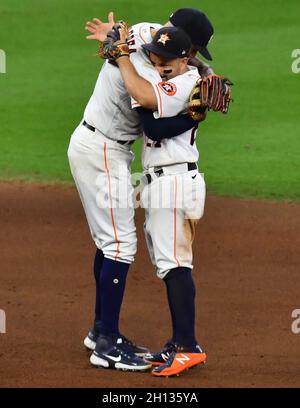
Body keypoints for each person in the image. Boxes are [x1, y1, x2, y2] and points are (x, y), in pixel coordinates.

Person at [68, 9, 214, 372]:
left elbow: (125, 34)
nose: (193, 56)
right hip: (103, 147)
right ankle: (108, 344)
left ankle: (102, 330)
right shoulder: (158, 67)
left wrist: (113, 41)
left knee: (111, 241)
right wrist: (115, 49)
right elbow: (150, 113)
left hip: (104, 145)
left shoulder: (148, 37)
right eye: (193, 50)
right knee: (119, 244)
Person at [107, 25, 208, 377]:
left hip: (176, 182)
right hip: (164, 181)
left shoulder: (180, 84)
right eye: (156, 56)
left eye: (168, 59)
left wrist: (123, 60)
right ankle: (179, 341)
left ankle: (188, 346)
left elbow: (152, 125)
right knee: (169, 265)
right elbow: (154, 122)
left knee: (176, 265)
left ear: (185, 59)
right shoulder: (181, 78)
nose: (160, 63)